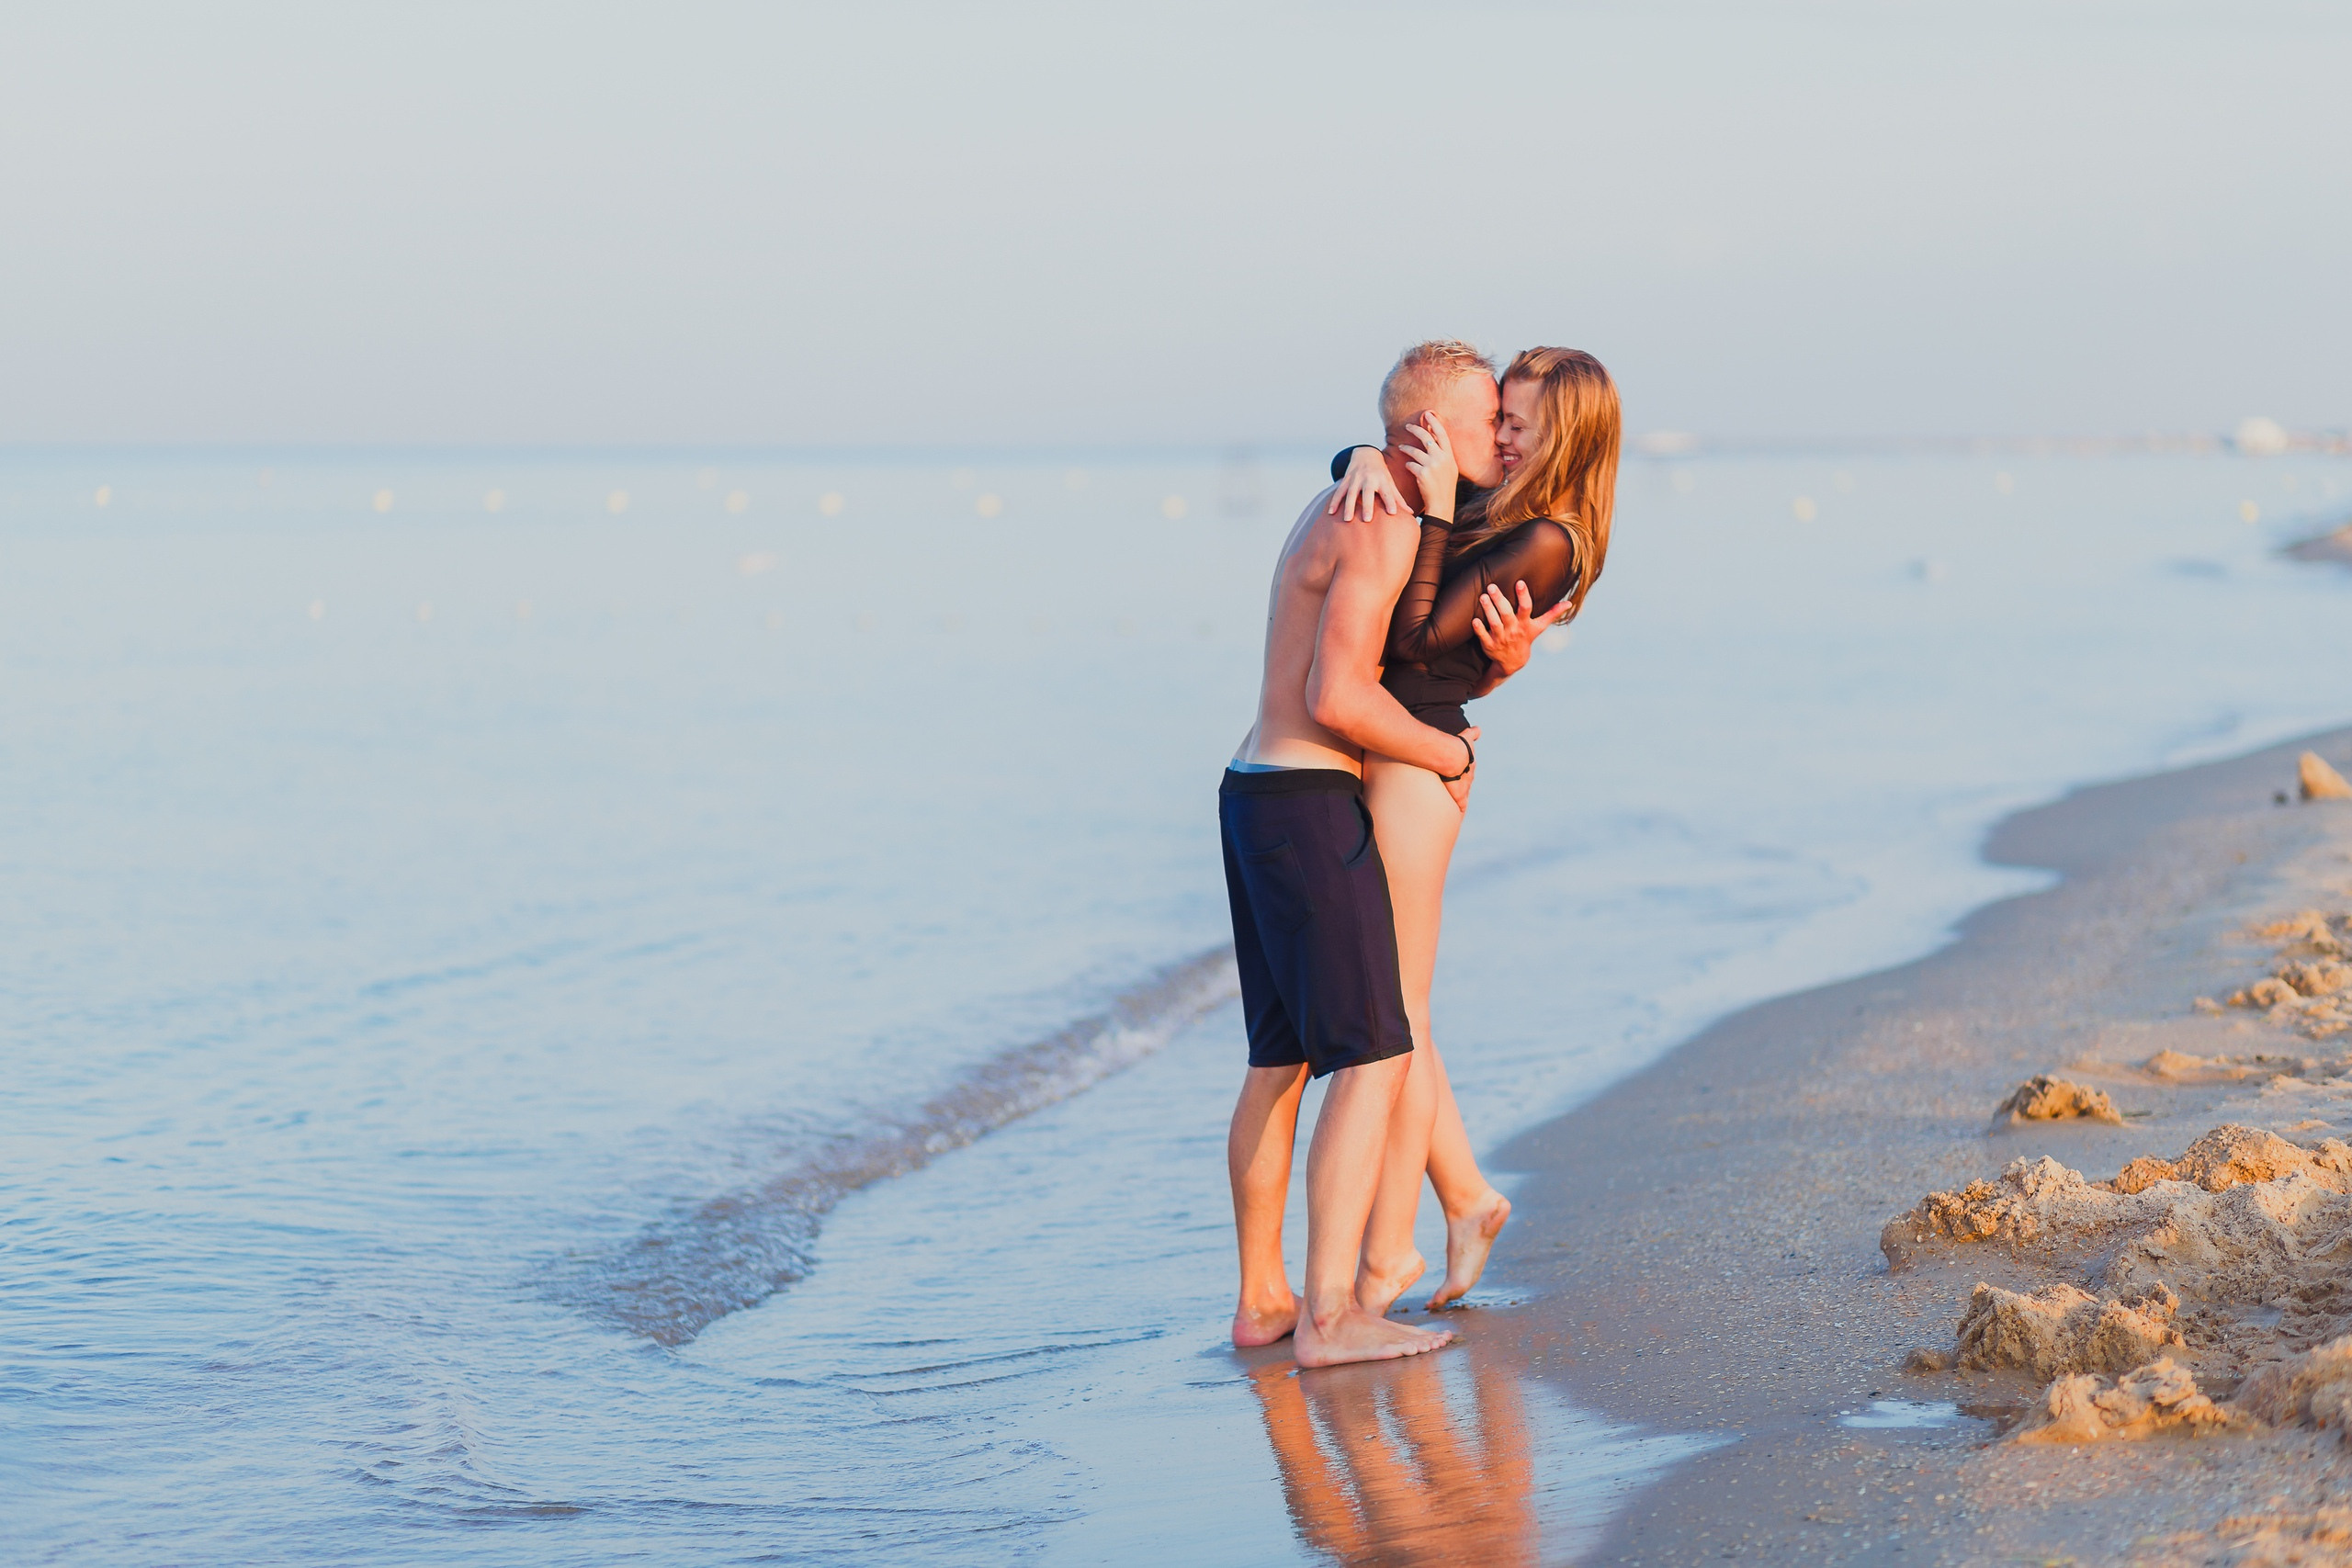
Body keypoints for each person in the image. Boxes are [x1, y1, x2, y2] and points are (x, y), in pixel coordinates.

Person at [1221, 341, 1507, 1365]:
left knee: (1282, 1059)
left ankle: (1266, 1301)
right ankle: (1333, 1317)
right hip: (1305, 799)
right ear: (1426, 433)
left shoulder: (1354, 495)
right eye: (1485, 425)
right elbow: (1335, 697)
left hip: (1254, 791)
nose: (1500, 444)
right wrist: (1446, 749)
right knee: (1377, 1050)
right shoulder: (1381, 519)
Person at [1325, 347, 1621, 1316]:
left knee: (1393, 1019)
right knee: (1398, 1009)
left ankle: (1387, 1256)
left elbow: (1413, 641)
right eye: (1495, 419)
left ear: (1560, 437)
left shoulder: (1547, 539)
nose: (1497, 436)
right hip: (1397, 748)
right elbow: (1412, 528)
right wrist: (1363, 455)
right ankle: (1464, 1197)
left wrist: (1439, 501)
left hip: (1420, 763)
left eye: (1515, 425)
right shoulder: (1505, 511)